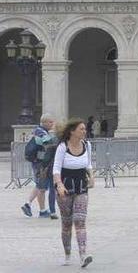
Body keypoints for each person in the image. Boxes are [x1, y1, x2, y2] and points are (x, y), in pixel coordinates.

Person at [52, 119, 94, 268]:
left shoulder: (87, 145)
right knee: (67, 223)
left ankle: (83, 255)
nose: (84, 131)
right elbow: (56, 168)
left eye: (84, 129)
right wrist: (59, 184)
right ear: (72, 131)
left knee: (80, 221)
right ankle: (67, 254)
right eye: (81, 129)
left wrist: (92, 176)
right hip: (65, 187)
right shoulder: (63, 147)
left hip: (81, 187)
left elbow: (88, 164)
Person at [22, 113, 59, 220]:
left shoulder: (38, 131)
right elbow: (49, 142)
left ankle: (28, 204)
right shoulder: (40, 132)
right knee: (42, 186)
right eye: (51, 122)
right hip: (40, 163)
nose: (52, 124)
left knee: (40, 185)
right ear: (45, 122)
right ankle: (41, 210)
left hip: (38, 162)